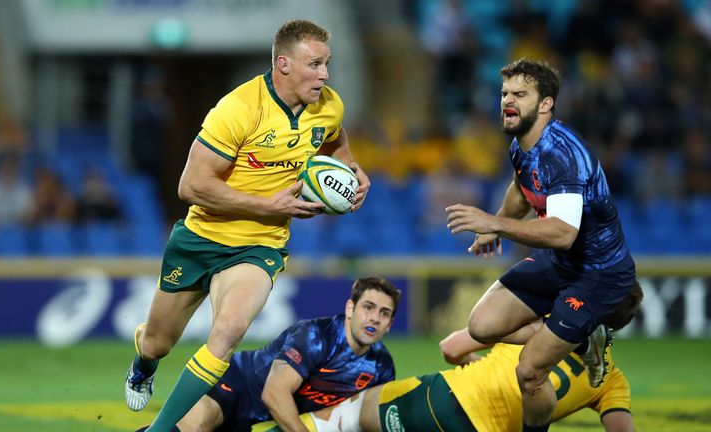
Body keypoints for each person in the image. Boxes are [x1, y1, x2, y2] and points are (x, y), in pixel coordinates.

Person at [124, 19, 370, 432]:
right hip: (202, 238)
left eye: (327, 63)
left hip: (261, 245)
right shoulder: (238, 109)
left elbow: (335, 140)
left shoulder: (328, 105)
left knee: (228, 332)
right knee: (158, 342)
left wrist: (352, 172)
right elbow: (190, 185)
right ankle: (143, 364)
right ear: (284, 64)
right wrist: (264, 202)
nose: (325, 74)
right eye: (315, 64)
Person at [444, 59, 636, 432]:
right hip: (561, 262)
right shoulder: (521, 143)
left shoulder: (563, 155)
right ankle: (583, 339)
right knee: (481, 327)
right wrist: (497, 225)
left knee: (529, 371)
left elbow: (563, 231)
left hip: (598, 277)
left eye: (519, 94)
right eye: (504, 94)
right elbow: (522, 187)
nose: (507, 101)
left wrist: (493, 222)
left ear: (546, 103)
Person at [251, 280, 642, 432]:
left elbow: (452, 348)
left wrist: (484, 365)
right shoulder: (610, 381)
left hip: (440, 402)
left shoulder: (536, 329)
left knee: (340, 421)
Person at [136, 277, 401, 432]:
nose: (374, 318)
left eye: (384, 313)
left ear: (389, 324)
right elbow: (274, 394)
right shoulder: (316, 336)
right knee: (196, 425)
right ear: (350, 308)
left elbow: (364, 416)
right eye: (368, 307)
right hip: (235, 385)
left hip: (255, 420)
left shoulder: (382, 367)